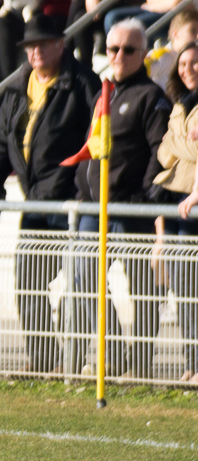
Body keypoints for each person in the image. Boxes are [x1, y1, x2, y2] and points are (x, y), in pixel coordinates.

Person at [0, 15, 99, 374]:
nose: (36, 52)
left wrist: (84, 189)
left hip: (72, 201)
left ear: (61, 45)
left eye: (44, 44)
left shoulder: (83, 84)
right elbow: (0, 146)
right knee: (29, 282)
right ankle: (44, 359)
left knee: (83, 283)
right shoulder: (17, 88)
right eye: (30, 46)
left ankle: (98, 355)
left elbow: (96, 141)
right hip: (34, 201)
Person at [69, 22, 170, 380]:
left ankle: (140, 361)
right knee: (83, 280)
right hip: (93, 207)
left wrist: (144, 196)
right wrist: (81, 188)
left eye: (129, 50)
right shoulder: (104, 92)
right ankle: (109, 353)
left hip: (129, 208)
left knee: (141, 286)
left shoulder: (151, 96)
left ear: (143, 54)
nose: (120, 56)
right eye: (113, 49)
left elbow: (161, 151)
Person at [157, 42, 198, 380]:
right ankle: (190, 363)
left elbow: (178, 147)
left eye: (195, 63)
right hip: (172, 199)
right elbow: (163, 153)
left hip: (192, 204)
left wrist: (178, 141)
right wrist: (186, 141)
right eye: (183, 64)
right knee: (181, 289)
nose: (188, 69)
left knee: (192, 286)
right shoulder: (179, 104)